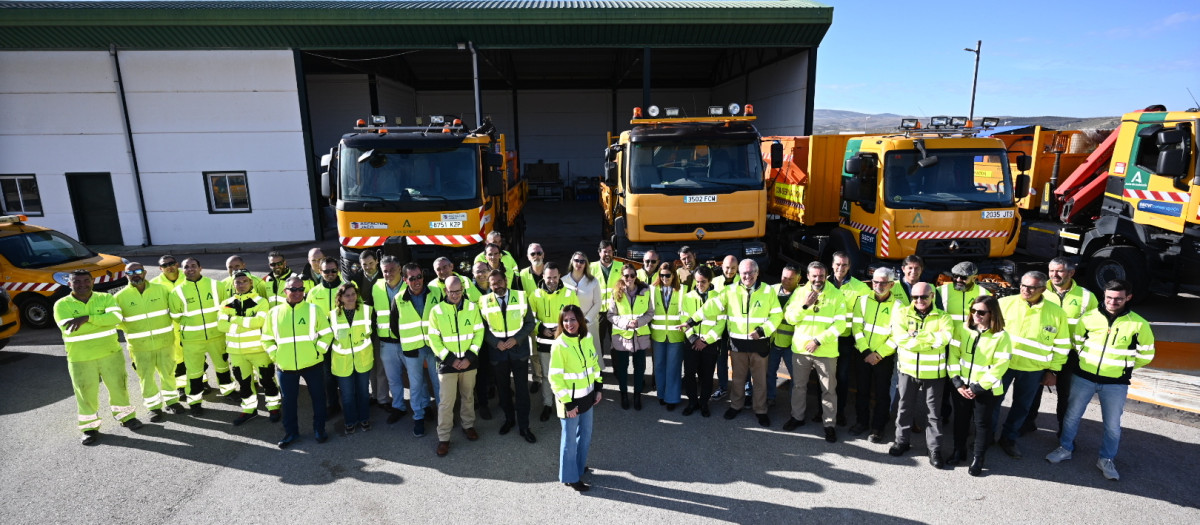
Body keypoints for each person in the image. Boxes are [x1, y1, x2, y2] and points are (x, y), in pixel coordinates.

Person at [1046, 279, 1154, 481]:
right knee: (1071, 416)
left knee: (1112, 425)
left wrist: (1122, 367)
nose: (1112, 302)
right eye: (1109, 297)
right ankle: (1065, 448)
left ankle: (1106, 459)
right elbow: (1077, 342)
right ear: (1104, 296)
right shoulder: (1088, 318)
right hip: (1083, 377)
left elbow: (1146, 354)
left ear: (1128, 298)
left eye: (1118, 298)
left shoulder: (1139, 324)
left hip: (1115, 383)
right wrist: (1087, 362)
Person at [55, 269, 144, 444]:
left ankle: (126, 417)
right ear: (69, 283)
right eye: (77, 281)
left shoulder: (105, 298)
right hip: (80, 358)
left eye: (86, 281)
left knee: (119, 387)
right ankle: (89, 428)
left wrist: (86, 318)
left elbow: (116, 318)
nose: (82, 285)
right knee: (85, 393)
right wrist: (101, 320)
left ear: (92, 281)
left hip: (110, 354)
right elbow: (69, 328)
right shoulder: (61, 304)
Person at [993, 271, 1069, 460]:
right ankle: (985, 437)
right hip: (1002, 365)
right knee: (993, 402)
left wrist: (1053, 370)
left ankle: (1008, 438)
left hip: (1033, 369)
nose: (1025, 290)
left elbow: (1062, 345)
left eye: (1031, 287)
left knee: (1022, 407)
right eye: (1023, 285)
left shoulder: (1056, 313)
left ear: (1043, 289)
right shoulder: (1004, 304)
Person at [1024, 257, 1098, 435]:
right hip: (1040, 350)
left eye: (1059, 271)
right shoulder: (1039, 290)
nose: (1054, 275)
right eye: (1051, 271)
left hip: (1070, 354)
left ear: (1071, 273)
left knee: (1066, 395)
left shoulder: (1087, 297)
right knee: (1032, 390)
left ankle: (1064, 431)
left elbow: (1095, 325)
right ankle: (1027, 423)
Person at [263, 276, 333, 448]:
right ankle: (291, 433)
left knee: (318, 399)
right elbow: (266, 339)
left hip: (312, 364)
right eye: (293, 289)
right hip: (285, 366)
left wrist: (319, 351)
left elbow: (327, 333)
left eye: (301, 289)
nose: (297, 293)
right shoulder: (274, 313)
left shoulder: (313, 309)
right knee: (288, 402)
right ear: (285, 291)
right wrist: (276, 356)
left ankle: (319, 430)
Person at [889, 282, 953, 468]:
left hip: (934, 373)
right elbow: (901, 339)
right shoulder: (901, 314)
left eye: (924, 297)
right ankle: (901, 442)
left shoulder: (944, 317)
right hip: (907, 370)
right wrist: (930, 338)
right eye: (915, 297)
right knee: (904, 408)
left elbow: (945, 339)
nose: (919, 300)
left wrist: (915, 336)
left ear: (932, 296)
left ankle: (934, 449)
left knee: (933, 414)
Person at [782, 262, 848, 442]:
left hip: (825, 350)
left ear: (826, 275)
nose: (817, 279)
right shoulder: (799, 293)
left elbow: (840, 325)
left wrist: (818, 340)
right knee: (798, 386)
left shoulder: (836, 295)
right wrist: (804, 306)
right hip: (801, 349)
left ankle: (829, 425)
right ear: (808, 276)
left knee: (828, 390)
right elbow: (789, 318)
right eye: (814, 276)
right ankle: (797, 417)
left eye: (821, 276)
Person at [948, 296, 1011, 476]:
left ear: (992, 313)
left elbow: (1000, 366)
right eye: (973, 311)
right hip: (961, 386)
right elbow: (953, 354)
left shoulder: (1001, 336)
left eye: (981, 312)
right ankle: (958, 451)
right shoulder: (962, 329)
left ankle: (978, 458)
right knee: (960, 420)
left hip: (985, 389)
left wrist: (977, 388)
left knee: (981, 424)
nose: (976, 315)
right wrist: (957, 382)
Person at [114, 262, 184, 421]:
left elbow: (174, 311)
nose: (135, 274)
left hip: (165, 342)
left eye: (138, 271)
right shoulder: (119, 297)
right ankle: (153, 407)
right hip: (140, 347)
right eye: (130, 272)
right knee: (146, 377)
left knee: (168, 374)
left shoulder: (162, 290)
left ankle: (172, 402)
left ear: (145, 273)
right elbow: (118, 322)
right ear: (126, 276)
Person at [722, 259, 783, 427]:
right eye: (744, 273)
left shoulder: (768, 291)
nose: (747, 276)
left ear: (757, 273)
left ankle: (761, 410)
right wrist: (692, 321)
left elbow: (777, 316)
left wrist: (762, 331)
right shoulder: (730, 290)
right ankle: (736, 406)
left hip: (759, 344)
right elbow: (714, 307)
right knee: (738, 379)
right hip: (737, 344)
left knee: (760, 380)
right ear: (739, 274)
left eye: (750, 272)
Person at [549, 304, 603, 493]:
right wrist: (568, 403)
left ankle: (579, 468)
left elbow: (594, 364)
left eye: (573, 319)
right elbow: (555, 378)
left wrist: (598, 387)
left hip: (587, 397)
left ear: (580, 320)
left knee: (585, 435)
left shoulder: (586, 338)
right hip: (570, 402)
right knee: (570, 441)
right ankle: (570, 477)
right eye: (565, 320)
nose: (569, 324)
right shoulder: (559, 345)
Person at [427, 276, 484, 456]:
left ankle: (468, 426)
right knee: (446, 402)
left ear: (463, 290)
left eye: (458, 291)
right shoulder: (436, 311)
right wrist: (451, 359)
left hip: (468, 362)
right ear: (445, 291)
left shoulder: (472, 308)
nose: (455, 295)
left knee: (468, 396)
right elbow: (433, 339)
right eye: (452, 292)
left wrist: (469, 357)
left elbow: (479, 332)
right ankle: (444, 438)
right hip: (447, 364)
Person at [168, 257, 233, 412]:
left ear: (200, 267)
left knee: (223, 366)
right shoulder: (176, 292)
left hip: (216, 335)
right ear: (182, 270)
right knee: (194, 371)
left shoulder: (216, 285)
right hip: (192, 340)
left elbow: (227, 308)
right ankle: (194, 402)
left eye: (193, 266)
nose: (190, 269)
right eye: (186, 267)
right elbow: (175, 316)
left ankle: (229, 391)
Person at [481, 268, 538, 443]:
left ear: (505, 280)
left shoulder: (521, 296)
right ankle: (509, 420)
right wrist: (495, 342)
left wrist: (516, 339)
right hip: (497, 352)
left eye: (499, 282)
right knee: (503, 389)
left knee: (522, 391)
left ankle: (524, 426)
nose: (496, 286)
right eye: (493, 284)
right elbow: (481, 328)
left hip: (518, 350)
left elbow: (530, 323)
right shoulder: (483, 301)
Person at [218, 270, 280, 426]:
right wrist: (246, 324)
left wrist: (234, 319)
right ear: (233, 284)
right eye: (238, 282)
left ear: (251, 283)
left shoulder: (261, 302)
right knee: (244, 383)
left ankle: (273, 407)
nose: (241, 285)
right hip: (236, 353)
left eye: (245, 281)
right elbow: (221, 325)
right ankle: (249, 410)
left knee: (267, 380)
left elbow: (258, 323)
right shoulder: (226, 303)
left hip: (258, 350)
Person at [851, 267, 905, 443]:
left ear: (891, 284)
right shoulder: (862, 300)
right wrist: (866, 351)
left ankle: (877, 428)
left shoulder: (898, 307)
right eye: (875, 282)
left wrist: (878, 354)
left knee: (882, 394)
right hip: (863, 353)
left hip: (883, 357)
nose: (879, 285)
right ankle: (861, 423)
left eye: (883, 283)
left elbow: (897, 336)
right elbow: (857, 328)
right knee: (862, 391)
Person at [394, 262, 444, 438]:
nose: (417, 281)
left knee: (439, 384)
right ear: (405, 279)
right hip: (412, 350)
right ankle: (419, 418)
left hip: (434, 347)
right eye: (412, 278)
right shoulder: (399, 299)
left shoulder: (436, 292)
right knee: (415, 386)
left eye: (420, 277)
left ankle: (443, 419)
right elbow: (394, 326)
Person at [530, 262, 580, 420]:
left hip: (564, 341)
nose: (551, 280)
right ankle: (547, 404)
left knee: (564, 375)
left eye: (555, 277)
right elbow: (530, 319)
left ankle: (564, 403)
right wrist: (540, 328)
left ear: (559, 276)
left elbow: (576, 318)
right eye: (548, 277)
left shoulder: (570, 293)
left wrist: (561, 330)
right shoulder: (535, 294)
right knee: (547, 376)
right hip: (544, 342)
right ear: (543, 277)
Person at [308, 256, 355, 416]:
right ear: (320, 272)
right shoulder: (314, 292)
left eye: (333, 270)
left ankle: (351, 403)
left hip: (345, 339)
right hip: (325, 340)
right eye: (326, 271)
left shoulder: (347, 288)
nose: (330, 273)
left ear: (338, 270)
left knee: (348, 372)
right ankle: (333, 404)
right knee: (328, 375)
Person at [677, 266, 726, 417]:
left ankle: (704, 403)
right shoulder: (688, 297)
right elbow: (684, 319)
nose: (699, 285)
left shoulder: (718, 297)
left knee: (707, 375)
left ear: (710, 281)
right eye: (697, 282)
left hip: (709, 343)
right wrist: (693, 338)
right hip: (691, 342)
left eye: (703, 282)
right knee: (690, 374)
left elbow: (721, 322)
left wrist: (705, 340)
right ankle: (692, 402)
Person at [829, 251, 870, 426]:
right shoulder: (822, 283)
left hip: (845, 339)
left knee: (843, 377)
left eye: (844, 265)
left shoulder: (860, 287)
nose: (840, 268)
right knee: (825, 377)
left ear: (849, 266)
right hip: (826, 339)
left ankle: (839, 412)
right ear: (832, 265)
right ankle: (822, 411)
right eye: (837, 264)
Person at [329, 283, 374, 435]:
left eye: (353, 294)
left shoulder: (367, 311)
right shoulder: (332, 315)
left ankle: (364, 419)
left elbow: (372, 334)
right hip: (342, 362)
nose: (351, 297)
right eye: (347, 295)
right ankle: (350, 421)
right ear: (340, 298)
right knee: (347, 395)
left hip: (363, 359)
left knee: (363, 392)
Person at [608, 265, 654, 410]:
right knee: (622, 368)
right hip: (621, 335)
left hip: (640, 335)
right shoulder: (616, 292)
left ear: (636, 276)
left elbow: (650, 312)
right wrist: (626, 323)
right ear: (622, 276)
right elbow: (610, 315)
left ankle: (637, 395)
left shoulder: (645, 291)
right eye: (626, 276)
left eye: (632, 275)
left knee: (640, 368)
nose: (629, 279)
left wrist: (639, 322)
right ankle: (623, 394)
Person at [371, 255, 410, 424]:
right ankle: (399, 407)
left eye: (392, 270)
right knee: (393, 379)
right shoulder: (377, 287)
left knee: (416, 380)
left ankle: (422, 407)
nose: (389, 274)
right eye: (385, 271)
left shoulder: (408, 286)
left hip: (407, 341)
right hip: (386, 343)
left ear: (400, 269)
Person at [351, 249, 391, 411]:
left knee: (381, 365)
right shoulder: (355, 279)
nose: (368, 267)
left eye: (370, 263)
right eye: (364, 265)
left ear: (376, 262)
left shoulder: (385, 278)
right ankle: (373, 395)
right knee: (368, 364)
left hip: (381, 327)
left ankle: (382, 398)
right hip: (363, 327)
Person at [649, 262, 686, 410]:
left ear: (674, 275)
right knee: (659, 366)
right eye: (662, 275)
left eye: (668, 275)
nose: (665, 278)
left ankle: (672, 398)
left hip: (676, 335)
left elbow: (685, 312)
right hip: (658, 335)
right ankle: (661, 394)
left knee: (673, 367)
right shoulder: (652, 289)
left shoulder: (682, 290)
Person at [150, 254, 187, 398]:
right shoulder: (155, 284)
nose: (169, 267)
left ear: (177, 264)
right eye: (165, 265)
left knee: (196, 356)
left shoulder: (188, 276)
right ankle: (182, 386)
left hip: (190, 324)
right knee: (177, 360)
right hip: (170, 327)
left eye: (171, 263)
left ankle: (202, 382)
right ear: (160, 269)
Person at [767, 265, 800, 407]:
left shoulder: (802, 294)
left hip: (792, 344)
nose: (786, 281)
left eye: (791, 278)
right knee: (769, 373)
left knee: (796, 378)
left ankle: (794, 404)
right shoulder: (771, 290)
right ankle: (770, 398)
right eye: (784, 277)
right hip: (772, 341)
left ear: (799, 278)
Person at [710, 254, 741, 401]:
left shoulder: (743, 282)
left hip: (738, 329)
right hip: (721, 328)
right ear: (722, 267)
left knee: (740, 361)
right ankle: (722, 387)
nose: (729, 271)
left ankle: (744, 389)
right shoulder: (714, 282)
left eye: (733, 268)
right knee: (721, 359)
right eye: (727, 267)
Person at [518, 243, 548, 393]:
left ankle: (549, 378)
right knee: (534, 352)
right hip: (531, 320)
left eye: (538, 253)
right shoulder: (522, 275)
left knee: (550, 351)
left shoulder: (550, 271)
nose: (536, 256)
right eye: (533, 254)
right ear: (528, 257)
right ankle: (537, 378)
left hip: (550, 318)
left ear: (543, 254)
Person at [589, 240, 625, 365]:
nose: (608, 254)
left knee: (617, 343)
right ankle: (597, 370)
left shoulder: (620, 267)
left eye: (610, 251)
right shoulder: (591, 268)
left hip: (615, 312)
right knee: (596, 343)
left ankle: (618, 370)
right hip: (598, 312)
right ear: (599, 252)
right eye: (605, 252)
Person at [562, 251, 601, 362]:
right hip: (570, 324)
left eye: (582, 261)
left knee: (592, 350)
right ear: (572, 262)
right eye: (576, 260)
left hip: (589, 323)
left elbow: (598, 303)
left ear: (586, 264)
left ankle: (595, 374)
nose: (579, 263)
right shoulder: (563, 281)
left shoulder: (593, 281)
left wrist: (586, 319)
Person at [468, 261, 495, 419]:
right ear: (473, 273)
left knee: (496, 367)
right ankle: (483, 404)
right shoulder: (469, 290)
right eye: (478, 272)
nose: (482, 274)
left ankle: (495, 390)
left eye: (485, 271)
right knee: (481, 372)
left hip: (496, 335)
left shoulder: (496, 287)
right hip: (478, 338)